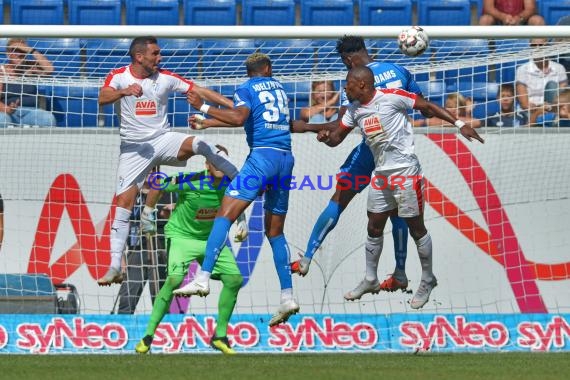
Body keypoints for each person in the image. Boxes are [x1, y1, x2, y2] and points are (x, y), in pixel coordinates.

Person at [318, 65, 484, 308]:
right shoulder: (354, 110)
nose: (345, 87)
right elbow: (337, 138)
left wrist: (460, 125)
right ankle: (370, 278)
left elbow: (427, 106)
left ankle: (428, 279)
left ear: (362, 84)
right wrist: (325, 137)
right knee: (373, 226)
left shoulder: (392, 98)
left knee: (416, 229)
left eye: (348, 83)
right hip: (381, 174)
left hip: (406, 173)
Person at [290, 35, 427, 299]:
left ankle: (307, 257)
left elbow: (340, 127)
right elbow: (424, 108)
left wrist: (308, 128)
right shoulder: (400, 70)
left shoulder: (353, 83)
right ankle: (400, 273)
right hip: (397, 154)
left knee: (340, 197)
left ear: (348, 60)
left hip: (369, 152)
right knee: (398, 213)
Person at [96, 36, 239, 286]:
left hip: (163, 139)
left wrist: (233, 107)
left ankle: (237, 177)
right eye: (155, 54)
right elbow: (102, 97)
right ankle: (114, 266)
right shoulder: (119, 76)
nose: (160, 58)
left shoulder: (165, 78)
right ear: (139, 56)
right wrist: (123, 92)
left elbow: (199, 90)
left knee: (199, 144)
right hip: (134, 149)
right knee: (123, 204)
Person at [180, 53, 299, 327]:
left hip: (262, 160)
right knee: (275, 232)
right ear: (268, 68)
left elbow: (237, 117)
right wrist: (208, 123)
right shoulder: (279, 88)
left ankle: (202, 278)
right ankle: (287, 296)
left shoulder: (247, 88)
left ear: (250, 71)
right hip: (285, 159)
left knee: (224, 216)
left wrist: (205, 108)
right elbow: (248, 119)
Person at [135, 147, 244, 354]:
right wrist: (147, 214)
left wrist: (242, 222)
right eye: (216, 162)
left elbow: (239, 200)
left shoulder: (233, 182)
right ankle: (148, 337)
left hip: (211, 239)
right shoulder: (191, 179)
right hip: (182, 237)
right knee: (174, 280)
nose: (221, 167)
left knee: (234, 280)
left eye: (224, 162)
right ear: (207, 164)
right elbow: (158, 184)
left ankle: (220, 336)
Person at [115, 188, 169, 314]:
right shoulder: (131, 192)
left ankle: (163, 329)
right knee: (126, 300)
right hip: (136, 251)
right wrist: (121, 257)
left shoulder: (167, 192)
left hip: (159, 251)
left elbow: (173, 218)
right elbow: (120, 224)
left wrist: (169, 212)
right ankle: (122, 330)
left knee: (161, 300)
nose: (149, 170)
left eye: (151, 167)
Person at [0, 38, 56, 127]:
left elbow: (50, 69)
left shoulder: (29, 67)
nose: (19, 54)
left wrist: (30, 50)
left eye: (22, 51)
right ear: (8, 54)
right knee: (2, 120)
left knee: (48, 119)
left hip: (31, 111)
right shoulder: (1, 71)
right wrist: (7, 109)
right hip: (7, 112)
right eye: (15, 51)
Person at [515, 38, 568, 126]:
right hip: (530, 111)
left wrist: (550, 107)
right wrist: (539, 109)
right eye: (534, 46)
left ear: (548, 47)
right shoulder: (522, 70)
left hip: (554, 110)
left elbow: (564, 97)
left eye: (541, 45)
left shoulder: (559, 68)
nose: (537, 48)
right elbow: (524, 103)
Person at [479, 0, 545, 26]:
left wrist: (519, 18)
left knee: (538, 20)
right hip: (497, 20)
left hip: (522, 21)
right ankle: (485, 53)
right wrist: (503, 17)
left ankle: (539, 55)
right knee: (485, 20)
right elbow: (488, 8)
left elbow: (530, 8)